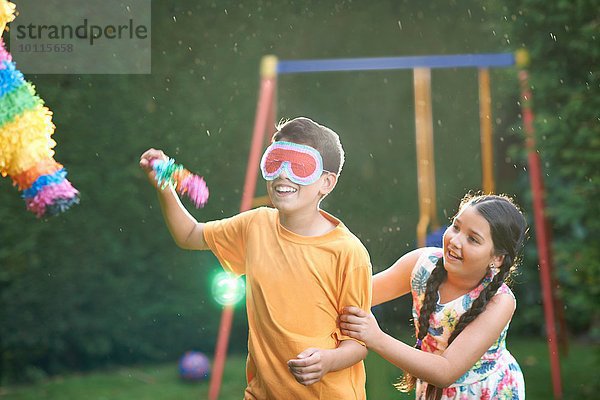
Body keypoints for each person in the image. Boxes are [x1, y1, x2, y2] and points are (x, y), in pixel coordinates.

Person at [140, 117, 372, 399]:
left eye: (300, 165)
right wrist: (164, 183)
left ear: (326, 182)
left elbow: (359, 342)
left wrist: (327, 361)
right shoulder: (255, 226)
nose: (284, 174)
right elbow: (189, 235)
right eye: (276, 162)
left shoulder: (349, 253)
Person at [340, 194, 527, 400]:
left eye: (472, 239)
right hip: (432, 386)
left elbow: (445, 372)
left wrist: (376, 338)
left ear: (497, 258)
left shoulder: (499, 302)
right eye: (456, 227)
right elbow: (353, 296)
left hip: (484, 392)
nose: (455, 241)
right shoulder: (422, 265)